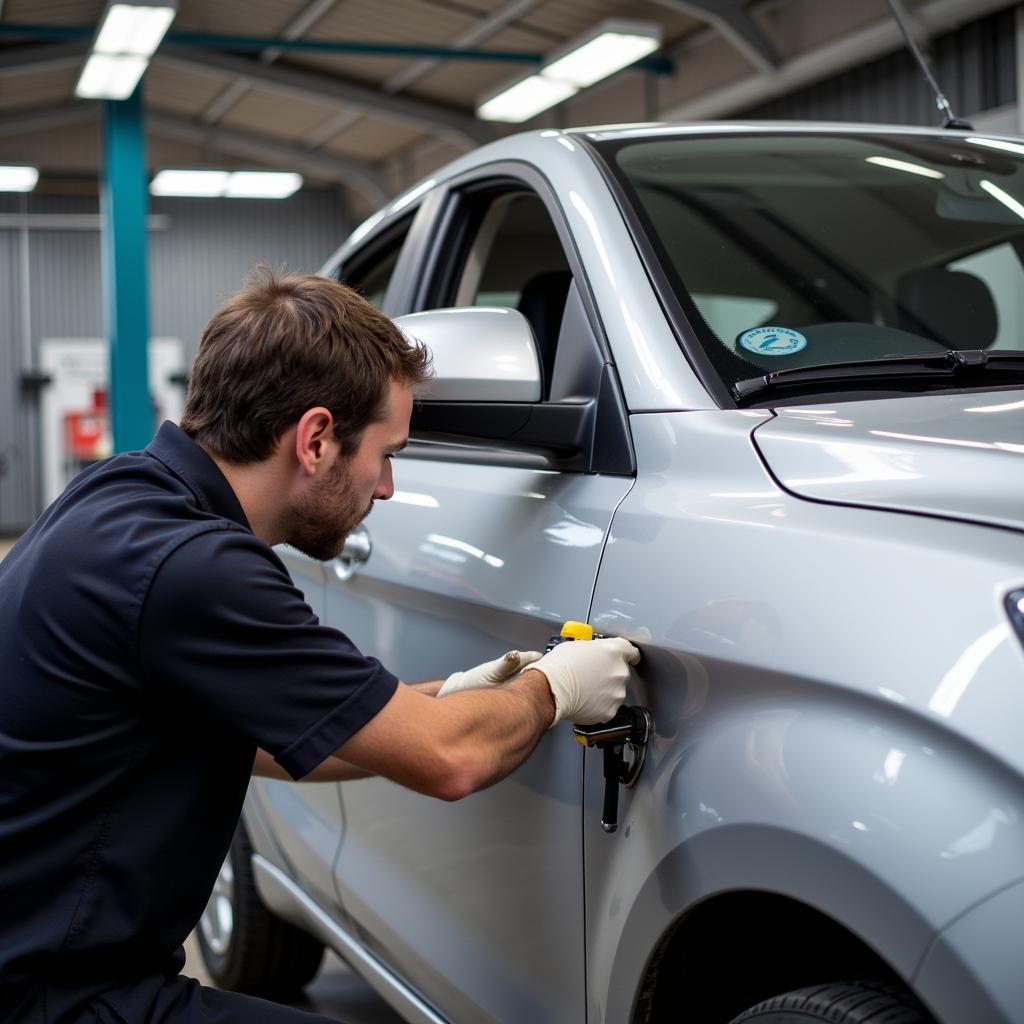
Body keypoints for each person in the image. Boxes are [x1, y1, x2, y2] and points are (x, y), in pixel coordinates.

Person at [0, 268, 640, 1023]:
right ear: (315, 439)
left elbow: (269, 739)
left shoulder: (122, 497)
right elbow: (452, 762)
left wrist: (453, 696)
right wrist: (554, 690)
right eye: (387, 452)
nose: (389, 486)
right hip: (58, 998)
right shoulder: (197, 569)